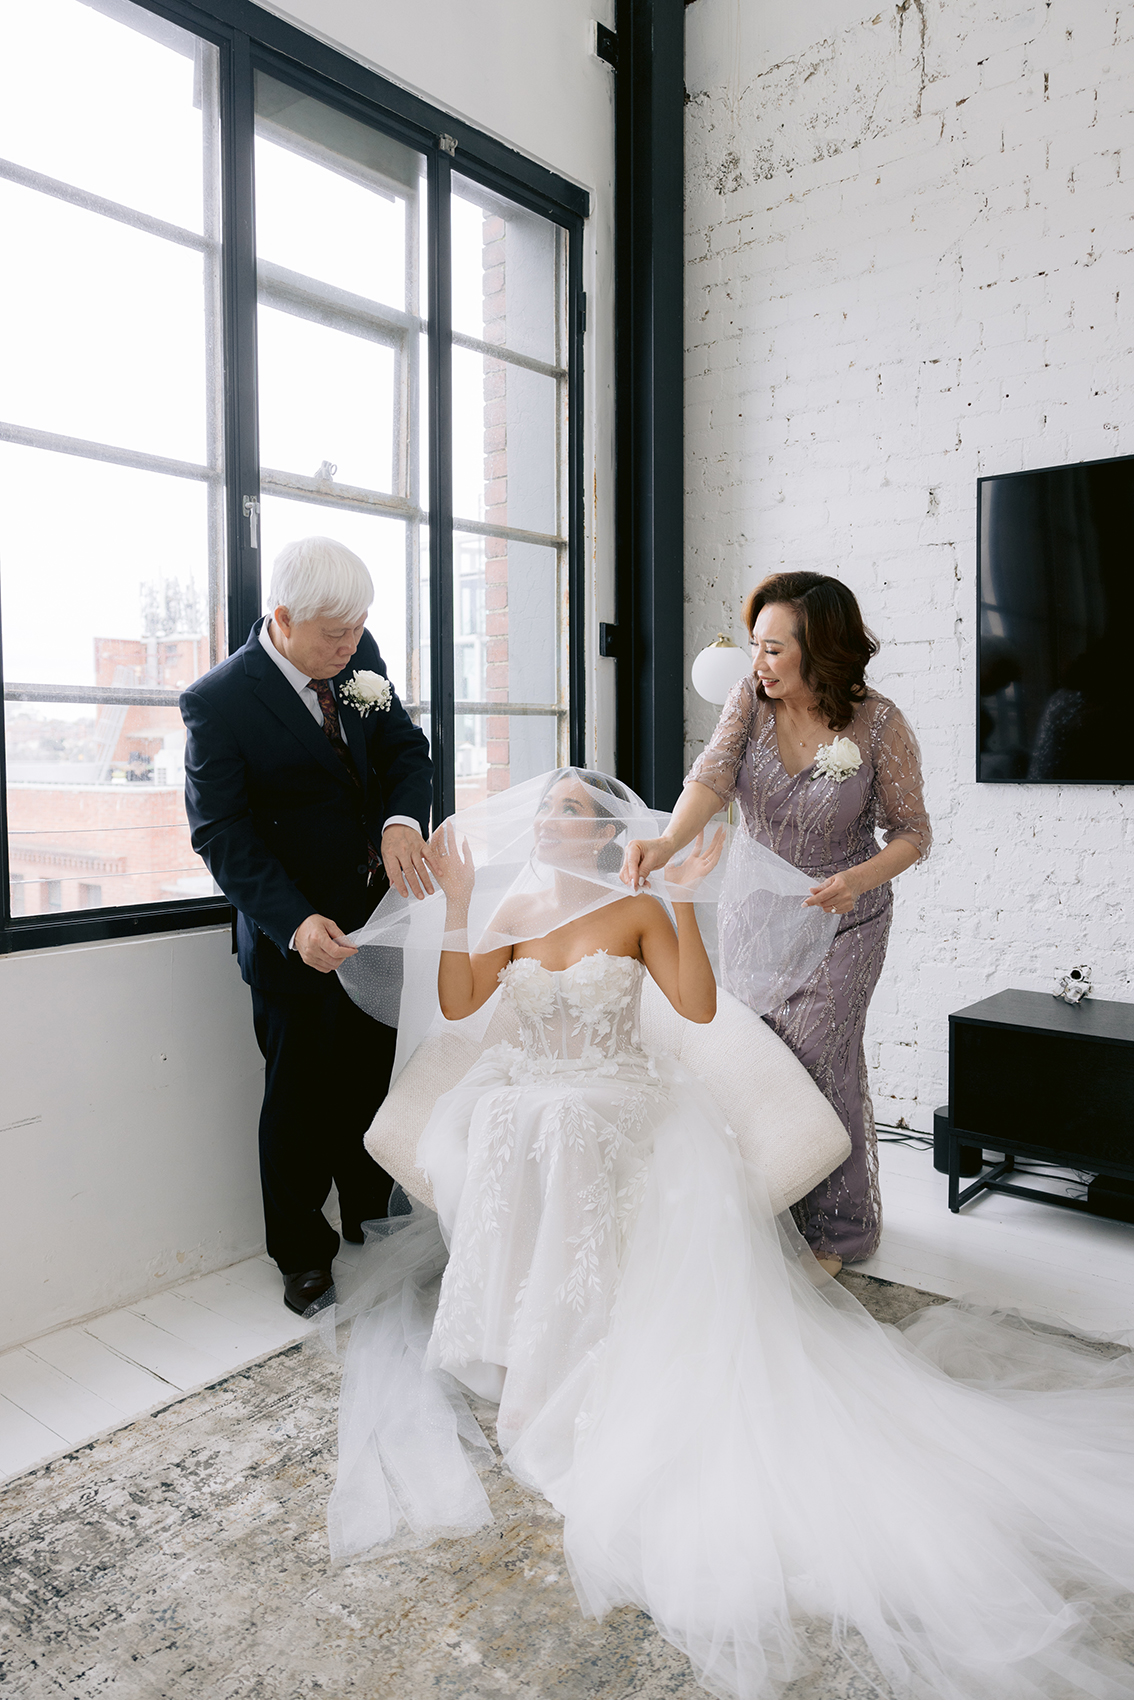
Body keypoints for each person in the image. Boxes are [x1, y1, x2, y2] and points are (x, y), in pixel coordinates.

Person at [320, 768, 1134, 1700]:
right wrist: (463, 907)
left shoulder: (635, 905)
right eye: (545, 807)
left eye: (569, 810)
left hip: (617, 1095)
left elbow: (697, 1008)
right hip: (531, 1092)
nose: (548, 819)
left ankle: (574, 1359)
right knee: (510, 1117)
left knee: (565, 1122)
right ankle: (521, 1340)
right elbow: (465, 1006)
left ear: (602, 836)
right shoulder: (510, 907)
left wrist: (678, 900)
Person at [623, 572, 930, 1275]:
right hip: (756, 913)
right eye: (755, 645)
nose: (757, 662)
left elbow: (913, 832)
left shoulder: (881, 724)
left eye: (772, 649)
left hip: (846, 915)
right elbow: (710, 778)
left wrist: (858, 879)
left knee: (821, 1057)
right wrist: (667, 843)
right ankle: (770, 1213)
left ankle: (839, 1229)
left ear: (819, 651)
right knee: (758, 1056)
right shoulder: (748, 702)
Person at [180, 537, 433, 1315]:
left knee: (374, 1078)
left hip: (378, 920)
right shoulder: (218, 701)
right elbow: (222, 832)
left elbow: (405, 749)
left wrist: (400, 820)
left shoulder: (359, 653)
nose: (351, 645)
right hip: (293, 934)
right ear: (284, 619)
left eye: (359, 628)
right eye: (334, 634)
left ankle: (369, 1214)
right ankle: (300, 1254)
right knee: (298, 1100)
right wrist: (293, 922)